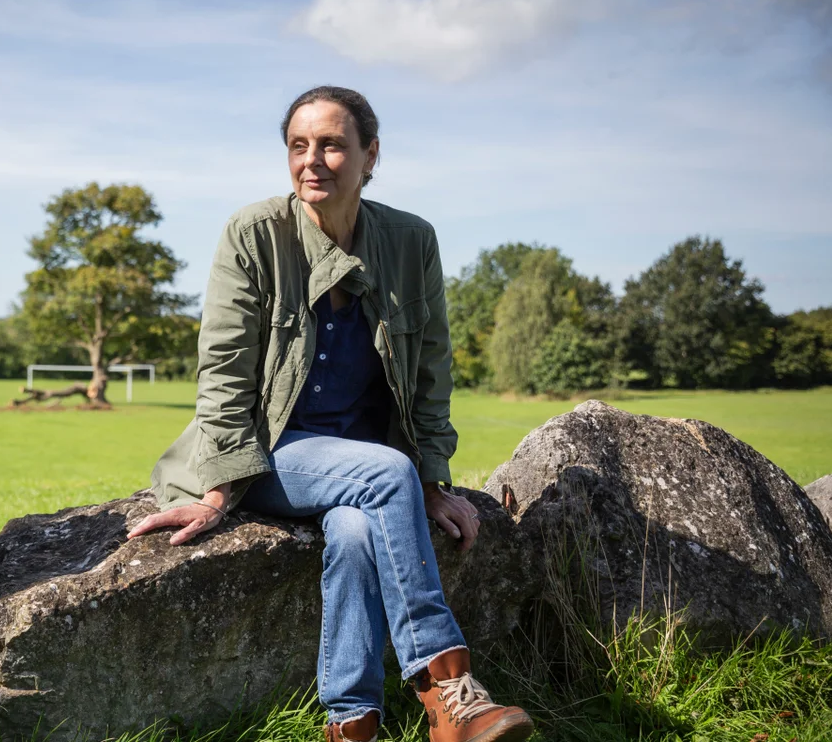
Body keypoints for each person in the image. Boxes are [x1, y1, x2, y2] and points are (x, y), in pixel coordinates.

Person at [127, 86, 534, 742]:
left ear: (370, 155)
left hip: (356, 459)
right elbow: (224, 368)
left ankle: (351, 723)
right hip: (268, 456)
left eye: (332, 144)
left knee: (355, 533)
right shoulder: (254, 233)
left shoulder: (411, 241)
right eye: (298, 145)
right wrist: (220, 487)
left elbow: (432, 369)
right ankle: (448, 691)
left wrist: (431, 480)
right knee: (383, 476)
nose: (311, 160)